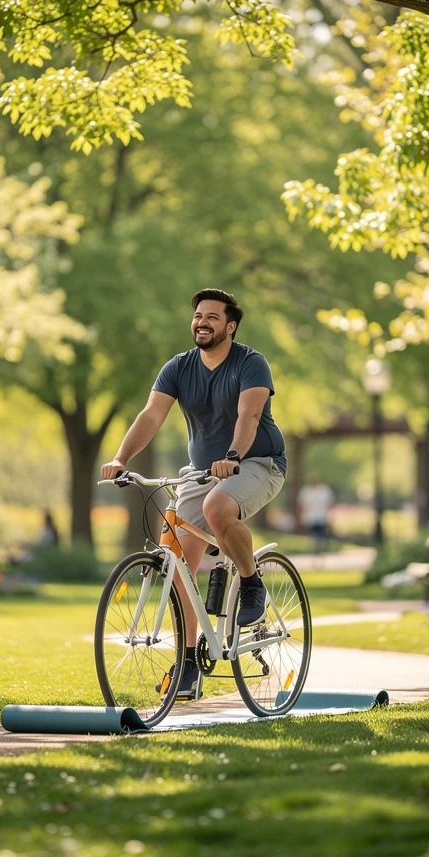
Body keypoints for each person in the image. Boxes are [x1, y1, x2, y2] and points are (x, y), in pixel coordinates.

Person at [100, 288, 287, 700]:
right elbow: (151, 414)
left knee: (218, 506)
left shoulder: (251, 363)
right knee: (177, 562)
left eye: (212, 317)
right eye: (198, 315)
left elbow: (249, 414)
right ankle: (187, 664)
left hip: (257, 463)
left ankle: (251, 582)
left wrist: (234, 455)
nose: (202, 322)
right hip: (201, 472)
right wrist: (120, 459)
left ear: (230, 326)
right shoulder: (178, 368)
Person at [297, 476, 335, 553]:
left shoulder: (324, 489)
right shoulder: (306, 490)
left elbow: (329, 502)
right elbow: (302, 504)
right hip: (311, 517)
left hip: (321, 517)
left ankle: (317, 547)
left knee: (319, 534)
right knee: (314, 534)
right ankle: (316, 548)